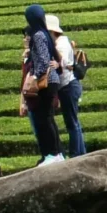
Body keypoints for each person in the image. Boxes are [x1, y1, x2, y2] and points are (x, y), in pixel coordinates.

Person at [19, 3, 64, 163]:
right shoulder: (45, 33)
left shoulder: (38, 35)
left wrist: (35, 76)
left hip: (46, 82)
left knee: (43, 119)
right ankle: (57, 154)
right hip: (52, 80)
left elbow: (44, 61)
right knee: (48, 118)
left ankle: (52, 154)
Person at [45, 12, 88, 158]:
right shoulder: (60, 41)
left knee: (72, 123)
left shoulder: (62, 43)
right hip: (68, 86)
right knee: (74, 122)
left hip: (68, 87)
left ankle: (76, 155)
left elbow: (63, 61)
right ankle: (81, 153)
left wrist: (57, 63)